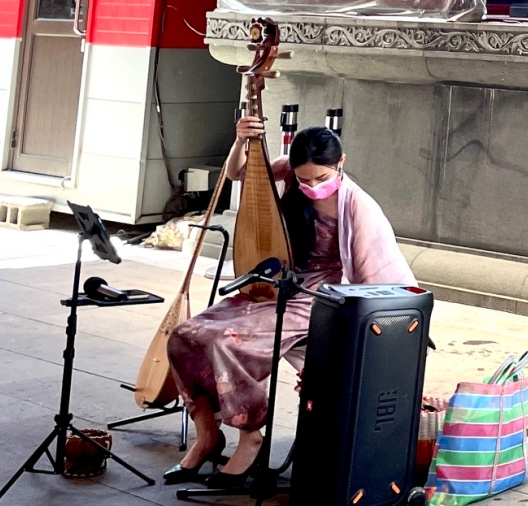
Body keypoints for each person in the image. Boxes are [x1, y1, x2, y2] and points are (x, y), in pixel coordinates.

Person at [161, 123, 413, 486]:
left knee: (228, 343)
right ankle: (207, 436)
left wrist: (378, 335)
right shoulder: (283, 170)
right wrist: (241, 139)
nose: (311, 187)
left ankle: (250, 437)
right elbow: (237, 172)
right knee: (185, 335)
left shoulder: (356, 205)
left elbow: (376, 274)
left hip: (315, 295)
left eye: (321, 178)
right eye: (303, 180)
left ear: (341, 162)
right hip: (270, 284)